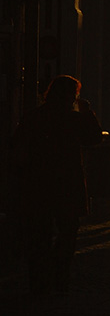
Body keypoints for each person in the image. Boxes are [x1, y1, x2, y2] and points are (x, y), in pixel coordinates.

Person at [11, 76, 103, 295]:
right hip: (67, 183)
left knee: (39, 233)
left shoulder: (34, 117)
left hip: (38, 183)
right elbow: (94, 137)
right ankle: (59, 276)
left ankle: (39, 280)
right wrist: (87, 112)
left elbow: (17, 145)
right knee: (68, 231)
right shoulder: (73, 119)